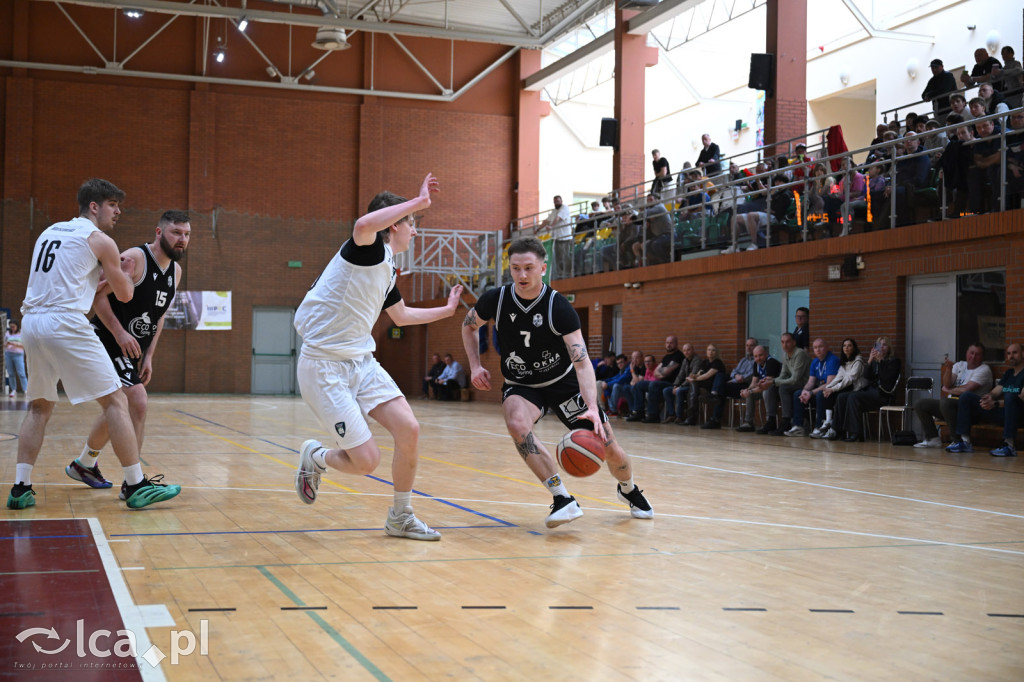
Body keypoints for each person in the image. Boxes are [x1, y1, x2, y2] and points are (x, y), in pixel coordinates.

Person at [292, 173, 464, 541]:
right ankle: (316, 457)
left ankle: (401, 515)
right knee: (366, 462)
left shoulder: (386, 266)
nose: (415, 231)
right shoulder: (366, 247)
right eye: (412, 224)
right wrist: (418, 201)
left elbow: (401, 316)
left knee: (409, 429)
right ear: (394, 224)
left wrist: (446, 311)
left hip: (361, 362)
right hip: (324, 366)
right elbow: (362, 223)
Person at [7, 178, 181, 510]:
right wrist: (121, 275)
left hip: (31, 321)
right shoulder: (101, 241)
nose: (118, 212)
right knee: (117, 401)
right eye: (113, 205)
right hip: (65, 322)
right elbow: (127, 294)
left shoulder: (49, 232)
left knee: (39, 406)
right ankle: (135, 485)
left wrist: (98, 281)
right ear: (94, 207)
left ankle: (21, 487)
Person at [460, 237, 653, 526]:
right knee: (516, 425)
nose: (522, 275)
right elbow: (468, 325)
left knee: (610, 447)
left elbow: (582, 361)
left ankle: (628, 489)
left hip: (563, 383)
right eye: (515, 269)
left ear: (543, 268)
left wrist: (590, 405)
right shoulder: (496, 300)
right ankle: (562, 498)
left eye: (528, 268)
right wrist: (475, 366)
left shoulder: (558, 306)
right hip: (521, 384)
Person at [67, 211, 191, 494]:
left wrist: (149, 356)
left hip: (133, 350)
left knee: (118, 406)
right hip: (106, 339)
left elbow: (158, 317)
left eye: (186, 234)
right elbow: (96, 296)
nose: (182, 239)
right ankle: (133, 482)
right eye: (176, 233)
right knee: (138, 400)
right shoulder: (135, 258)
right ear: (159, 233)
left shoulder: (176, 271)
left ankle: (84, 463)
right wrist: (120, 333)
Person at [946, 343, 1024, 456]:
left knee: (1011, 397)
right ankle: (965, 442)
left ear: (1023, 354)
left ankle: (1009, 445)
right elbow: (996, 391)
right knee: (967, 396)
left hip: (1019, 414)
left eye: (1015, 353)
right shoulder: (1009, 373)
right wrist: (988, 398)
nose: (1011, 356)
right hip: (1003, 412)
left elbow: (1021, 398)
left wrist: (996, 403)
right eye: (1009, 353)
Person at [913, 344, 993, 448]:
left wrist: (949, 389)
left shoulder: (984, 369)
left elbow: (966, 389)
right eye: (971, 353)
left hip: (973, 409)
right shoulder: (960, 365)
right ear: (966, 353)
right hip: (951, 406)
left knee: (946, 402)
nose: (973, 357)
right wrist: (949, 368)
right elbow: (947, 383)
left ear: (982, 357)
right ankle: (932, 438)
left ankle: (957, 441)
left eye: (977, 354)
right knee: (921, 404)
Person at [832, 336, 901, 442]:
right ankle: (837, 431)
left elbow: (886, 378)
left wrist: (881, 361)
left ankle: (856, 433)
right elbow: (866, 376)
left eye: (884, 345)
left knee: (853, 397)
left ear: (889, 348)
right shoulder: (875, 361)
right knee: (842, 397)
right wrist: (869, 360)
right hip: (870, 392)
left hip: (883, 394)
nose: (881, 347)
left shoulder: (894, 361)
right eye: (879, 345)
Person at [811, 338, 867, 439]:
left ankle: (834, 428)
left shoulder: (858, 361)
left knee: (838, 395)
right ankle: (828, 420)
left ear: (854, 348)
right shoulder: (844, 362)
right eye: (844, 346)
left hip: (856, 389)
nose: (846, 348)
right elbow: (837, 378)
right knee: (826, 393)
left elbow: (849, 379)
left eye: (849, 345)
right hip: (847, 387)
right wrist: (828, 388)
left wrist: (833, 389)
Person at [786, 338, 839, 437]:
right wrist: (804, 391)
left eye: (820, 347)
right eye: (815, 348)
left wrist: (811, 393)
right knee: (798, 394)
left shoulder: (833, 360)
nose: (818, 350)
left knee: (820, 395)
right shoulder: (814, 362)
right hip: (819, 390)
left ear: (827, 348)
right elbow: (811, 382)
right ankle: (798, 426)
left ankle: (819, 427)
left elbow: (829, 384)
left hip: (831, 392)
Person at [630, 335, 684, 423]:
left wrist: (662, 373)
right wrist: (662, 373)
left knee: (653, 384)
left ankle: (653, 415)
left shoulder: (678, 356)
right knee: (639, 385)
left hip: (672, 383)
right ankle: (639, 412)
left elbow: (665, 372)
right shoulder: (666, 357)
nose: (668, 345)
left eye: (671, 343)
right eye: (667, 343)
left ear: (676, 344)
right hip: (662, 382)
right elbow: (656, 372)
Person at [770, 332, 810, 435]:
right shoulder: (786, 355)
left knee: (783, 388)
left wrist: (774, 381)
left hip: (806, 384)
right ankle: (771, 421)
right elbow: (783, 375)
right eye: (782, 342)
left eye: (787, 342)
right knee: (771, 388)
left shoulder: (800, 353)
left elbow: (795, 379)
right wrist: (770, 382)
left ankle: (786, 421)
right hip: (795, 384)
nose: (785, 345)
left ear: (794, 343)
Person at [736, 345, 781, 433]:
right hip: (765, 388)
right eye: (755, 356)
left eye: (760, 355)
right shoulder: (756, 364)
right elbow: (754, 382)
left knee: (766, 391)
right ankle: (748, 423)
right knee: (750, 394)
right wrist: (747, 390)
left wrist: (750, 391)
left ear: (766, 354)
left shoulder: (771, 362)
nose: (758, 358)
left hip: (777, 390)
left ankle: (770, 421)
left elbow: (767, 385)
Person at [666, 342, 701, 424]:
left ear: (692, 350)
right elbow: (680, 375)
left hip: (693, 385)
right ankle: (672, 414)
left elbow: (692, 377)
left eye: (688, 350)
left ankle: (679, 417)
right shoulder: (685, 360)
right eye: (684, 350)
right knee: (666, 391)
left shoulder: (697, 360)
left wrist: (680, 386)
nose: (686, 352)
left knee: (680, 391)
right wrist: (675, 385)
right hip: (684, 385)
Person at [538, 195, 572, 278]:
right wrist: (538, 229)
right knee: (558, 257)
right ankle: (560, 274)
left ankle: (567, 274)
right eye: (555, 201)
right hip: (556, 237)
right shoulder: (554, 211)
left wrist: (551, 226)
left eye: (558, 201)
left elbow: (558, 218)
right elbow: (546, 220)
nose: (556, 203)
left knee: (565, 256)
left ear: (561, 201)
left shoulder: (564, 208)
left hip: (565, 237)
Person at [4, 320, 27, 397]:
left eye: (13, 327)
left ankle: (25, 390)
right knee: (11, 373)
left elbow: (24, 346)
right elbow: (4, 345)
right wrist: (6, 344)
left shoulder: (21, 334)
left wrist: (15, 344)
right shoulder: (7, 333)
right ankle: (13, 390)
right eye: (11, 327)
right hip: (8, 354)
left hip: (18, 355)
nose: (12, 328)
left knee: (21, 373)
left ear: (17, 326)